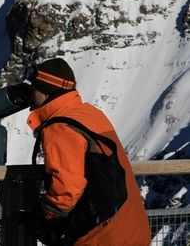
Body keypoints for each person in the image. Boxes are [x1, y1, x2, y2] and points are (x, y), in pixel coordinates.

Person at [24, 58, 151, 245]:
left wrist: (46, 216)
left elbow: (67, 189)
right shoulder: (89, 114)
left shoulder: (60, 127)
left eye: (33, 87)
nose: (31, 94)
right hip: (132, 228)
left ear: (44, 90)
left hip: (105, 238)